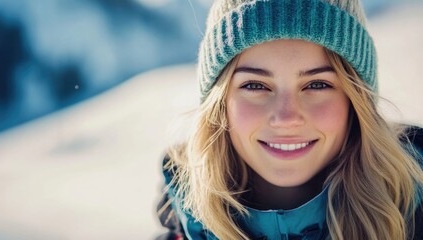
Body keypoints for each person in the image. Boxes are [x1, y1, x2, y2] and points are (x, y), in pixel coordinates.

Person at [156, 0, 423, 239]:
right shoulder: (183, 227)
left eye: (317, 85)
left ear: (356, 101)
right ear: (219, 103)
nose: (286, 118)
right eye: (255, 86)